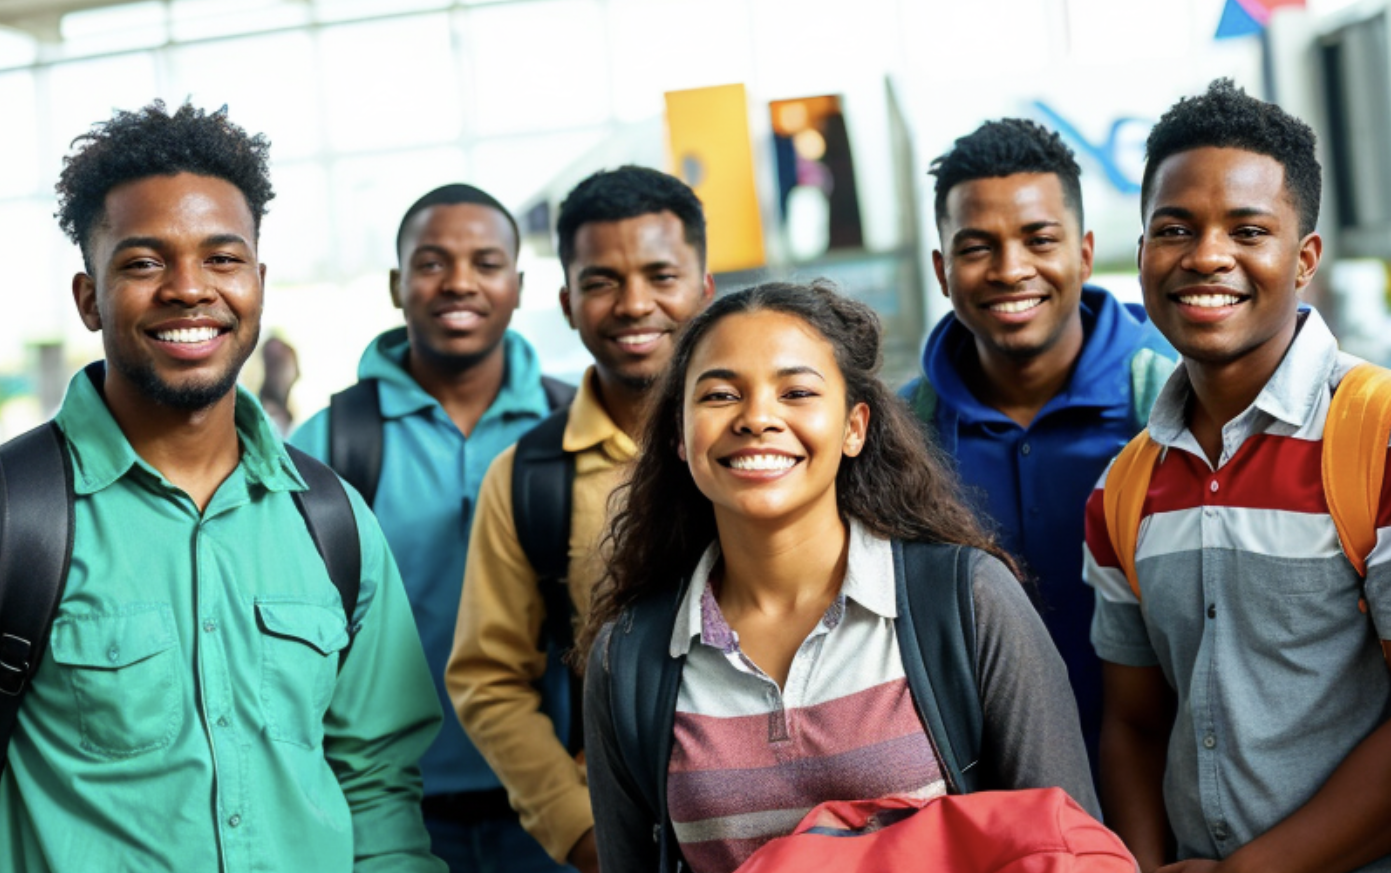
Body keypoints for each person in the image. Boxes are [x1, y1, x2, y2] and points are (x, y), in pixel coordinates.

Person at [0, 100, 443, 871]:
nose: (189, 289)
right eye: (145, 263)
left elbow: (378, 787)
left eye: (221, 258)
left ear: (258, 282)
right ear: (89, 299)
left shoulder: (332, 522)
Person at [580, 281, 1097, 873]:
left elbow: (1070, 847)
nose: (757, 418)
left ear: (854, 427)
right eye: (721, 395)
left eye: (796, 391)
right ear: (679, 435)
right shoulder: (629, 658)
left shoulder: (965, 601)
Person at [1086, 80, 1391, 872]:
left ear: (1305, 257)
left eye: (1247, 230)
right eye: (1174, 229)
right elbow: (1134, 722)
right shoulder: (1122, 488)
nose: (1206, 256)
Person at [291, 182, 566, 872]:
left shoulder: (573, 432)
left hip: (557, 803)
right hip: (388, 811)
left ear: (519, 283)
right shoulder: (330, 445)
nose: (460, 283)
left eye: (486, 262)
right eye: (433, 262)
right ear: (396, 284)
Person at [447, 166, 713, 873]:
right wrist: (583, 833)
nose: (634, 305)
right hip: (634, 832)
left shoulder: (771, 442)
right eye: (600, 282)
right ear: (566, 302)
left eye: (662, 276)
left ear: (705, 290)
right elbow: (488, 678)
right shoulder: (530, 477)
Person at [903, 118, 1174, 768]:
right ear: (942, 270)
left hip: (1171, 796)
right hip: (995, 812)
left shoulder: (1173, 400)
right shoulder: (901, 435)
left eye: (1038, 239)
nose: (1010, 269)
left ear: (1083, 252)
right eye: (976, 248)